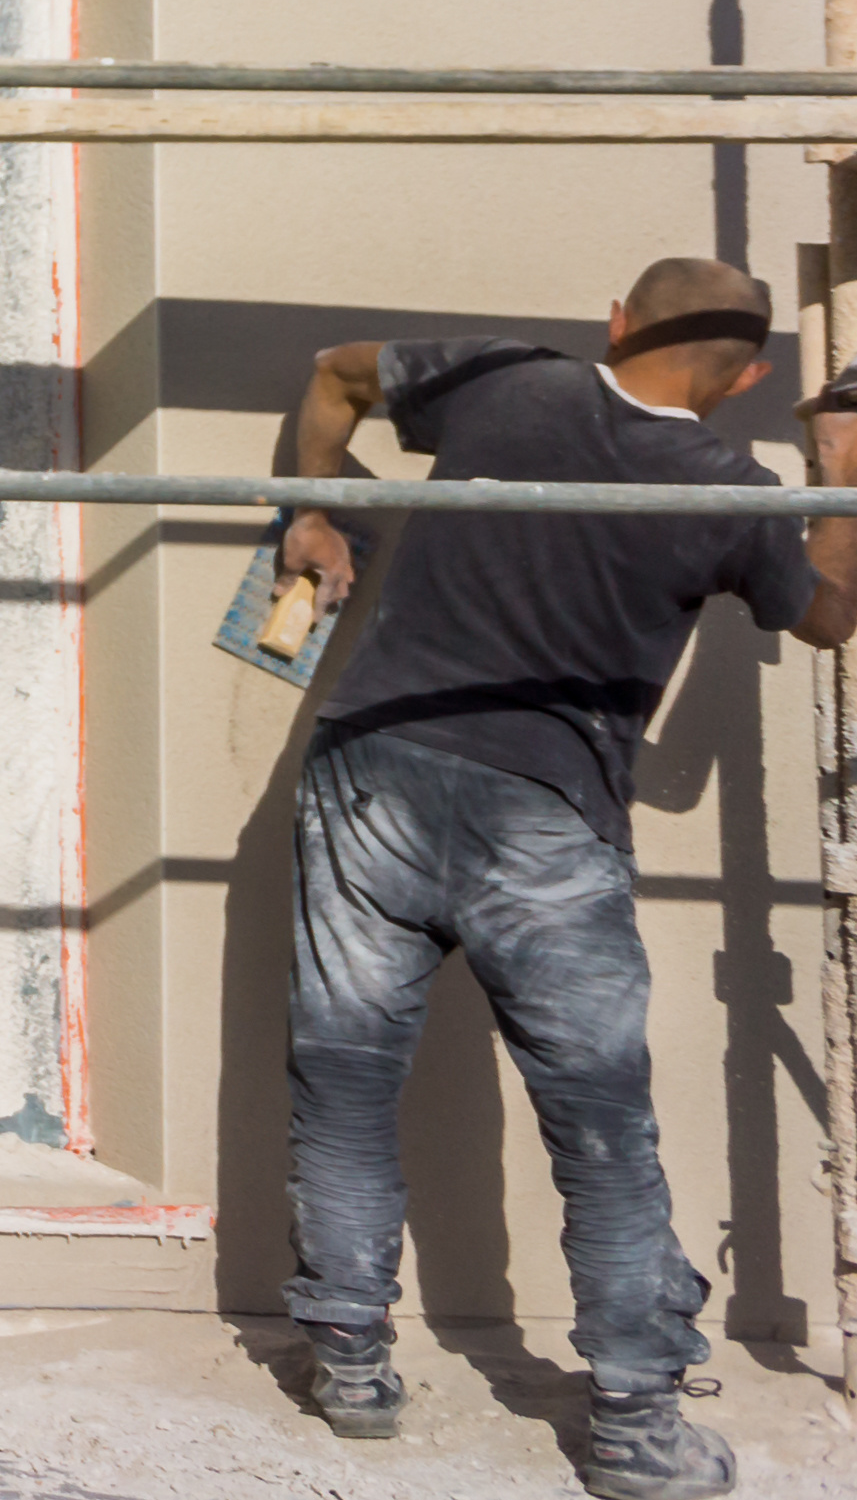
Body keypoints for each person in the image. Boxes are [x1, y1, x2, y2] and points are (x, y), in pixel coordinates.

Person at [265, 256, 857, 1494]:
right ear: (745, 378)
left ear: (614, 322)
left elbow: (333, 373)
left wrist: (305, 512)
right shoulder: (727, 486)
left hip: (375, 763)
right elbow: (828, 615)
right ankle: (638, 1429)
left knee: (345, 1072)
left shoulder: (500, 383)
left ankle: (350, 1363)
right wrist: (844, 471)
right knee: (598, 1119)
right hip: (544, 817)